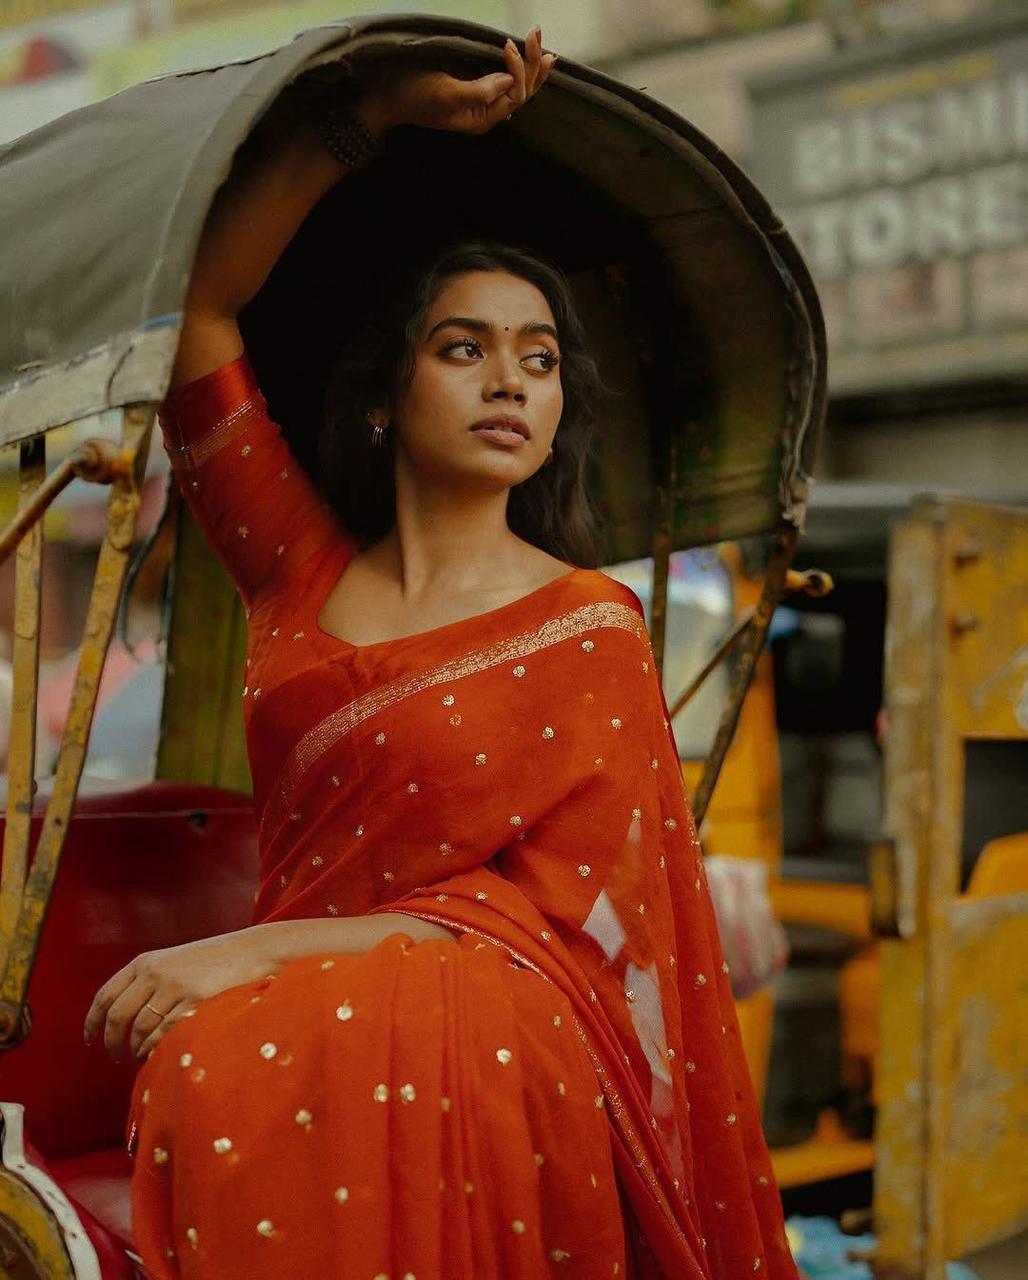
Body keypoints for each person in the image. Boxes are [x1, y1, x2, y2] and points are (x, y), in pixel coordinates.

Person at [83, 26, 799, 1279]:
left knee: (221, 1048)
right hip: (303, 1011)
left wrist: (251, 949)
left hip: (493, 1026)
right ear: (384, 394)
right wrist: (358, 120)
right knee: (223, 1054)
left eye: (539, 359)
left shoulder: (584, 627)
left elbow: (540, 926)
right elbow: (197, 306)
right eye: (463, 347)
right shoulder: (297, 569)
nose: (509, 380)